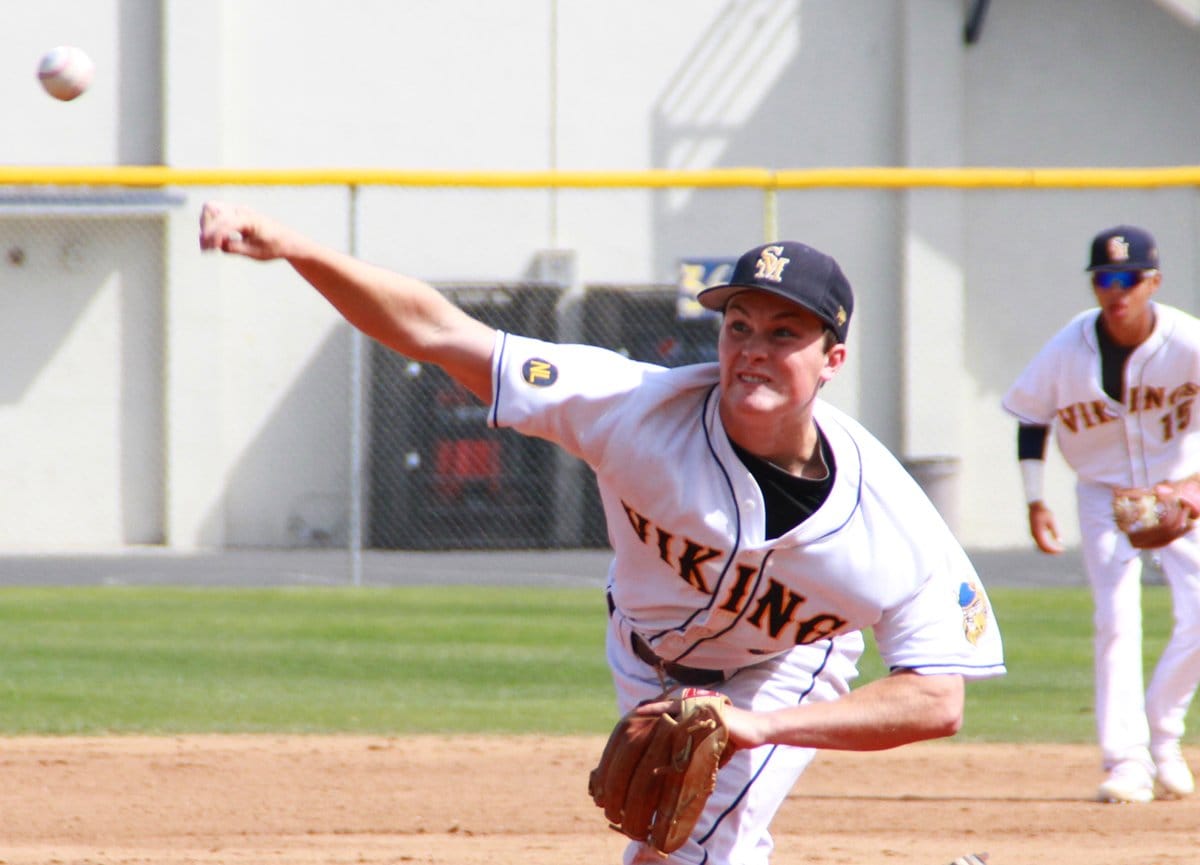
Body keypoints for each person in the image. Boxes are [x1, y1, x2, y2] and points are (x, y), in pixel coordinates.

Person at [199, 202, 1005, 865]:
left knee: (685, 853)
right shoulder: (633, 408)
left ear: (832, 358)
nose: (753, 351)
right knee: (666, 846)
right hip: (642, 652)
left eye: (783, 334)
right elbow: (438, 331)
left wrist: (756, 726)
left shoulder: (894, 525)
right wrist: (300, 249)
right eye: (740, 326)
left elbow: (937, 699)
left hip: (782, 667)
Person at [1003, 224, 1200, 804]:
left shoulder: (1187, 340)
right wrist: (1035, 499)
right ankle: (1127, 761)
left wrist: (1195, 485)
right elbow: (1032, 416)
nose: (1116, 290)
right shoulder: (1070, 345)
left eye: (1128, 278)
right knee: (1115, 618)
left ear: (1153, 282)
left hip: (1177, 488)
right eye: (1105, 278)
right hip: (1104, 494)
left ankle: (1163, 735)